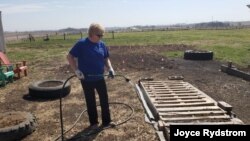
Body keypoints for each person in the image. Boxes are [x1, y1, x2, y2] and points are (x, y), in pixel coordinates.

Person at [67, 23, 115, 130]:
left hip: (99, 78)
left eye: (102, 35)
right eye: (99, 35)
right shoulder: (81, 44)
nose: (101, 37)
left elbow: (106, 58)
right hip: (86, 79)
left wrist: (110, 68)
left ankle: (106, 122)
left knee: (104, 99)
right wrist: (76, 70)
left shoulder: (101, 44)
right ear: (92, 34)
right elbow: (70, 56)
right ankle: (94, 123)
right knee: (90, 101)